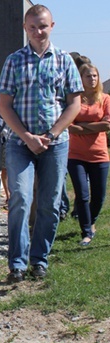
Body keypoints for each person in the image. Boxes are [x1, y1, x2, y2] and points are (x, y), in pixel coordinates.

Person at [0, 4, 83, 283]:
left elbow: (74, 104)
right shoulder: (13, 60)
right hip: (20, 143)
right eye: (33, 26)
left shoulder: (63, 60)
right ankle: (18, 264)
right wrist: (27, 137)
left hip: (55, 144)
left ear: (52, 26)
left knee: (49, 203)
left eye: (43, 26)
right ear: (25, 28)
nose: (38, 31)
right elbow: (5, 105)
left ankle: (39, 260)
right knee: (21, 198)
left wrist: (52, 134)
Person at [67, 63, 110, 246]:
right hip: (76, 154)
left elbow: (107, 125)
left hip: (99, 154)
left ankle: (91, 221)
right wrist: (93, 126)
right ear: (81, 79)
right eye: (88, 76)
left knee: (99, 195)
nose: (92, 79)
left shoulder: (105, 99)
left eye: (94, 76)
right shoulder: (75, 99)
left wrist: (81, 127)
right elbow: (69, 125)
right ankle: (86, 230)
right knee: (82, 194)